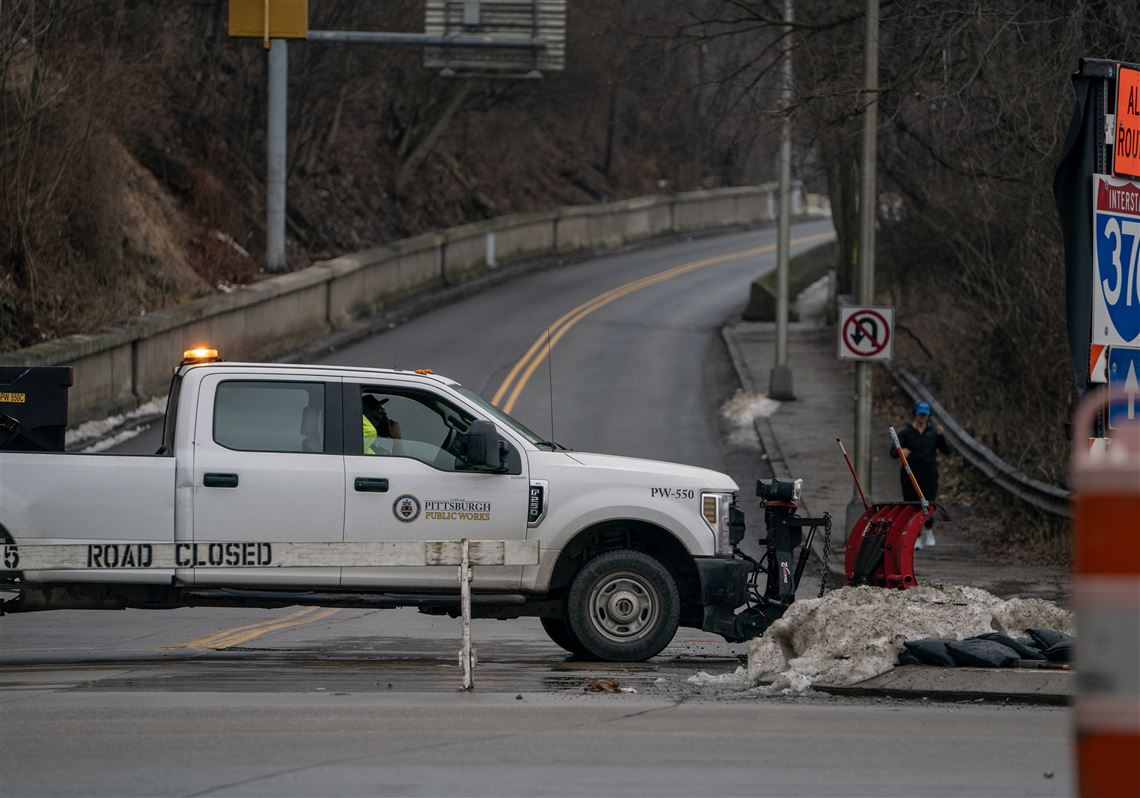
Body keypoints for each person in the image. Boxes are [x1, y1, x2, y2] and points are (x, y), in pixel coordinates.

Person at [890, 400, 950, 549]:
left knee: (928, 504)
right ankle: (915, 536)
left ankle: (928, 531)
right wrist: (900, 451)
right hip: (910, 476)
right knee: (912, 505)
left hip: (929, 475)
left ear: (928, 415)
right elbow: (892, 452)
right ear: (915, 414)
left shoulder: (933, 432)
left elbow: (946, 451)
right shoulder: (905, 432)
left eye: (925, 414)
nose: (922, 417)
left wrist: (942, 436)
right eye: (920, 414)